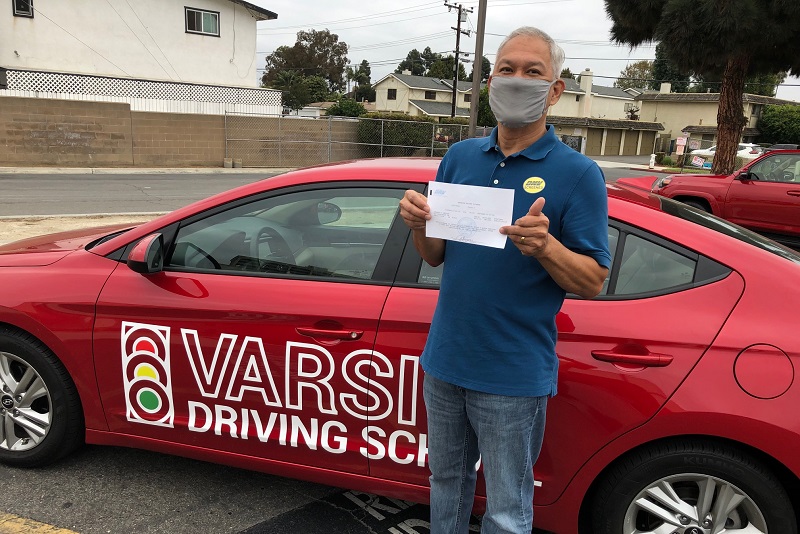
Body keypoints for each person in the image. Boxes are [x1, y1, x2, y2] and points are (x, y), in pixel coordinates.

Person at [399, 26, 611, 533]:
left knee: (507, 509)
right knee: (445, 482)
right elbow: (434, 257)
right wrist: (417, 225)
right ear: (489, 81)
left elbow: (594, 280)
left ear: (555, 90)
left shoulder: (578, 173)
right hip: (446, 360)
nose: (517, 80)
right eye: (507, 70)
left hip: (512, 376)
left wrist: (547, 246)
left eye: (533, 72)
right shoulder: (460, 158)